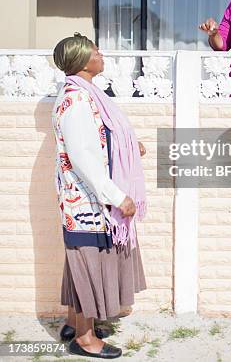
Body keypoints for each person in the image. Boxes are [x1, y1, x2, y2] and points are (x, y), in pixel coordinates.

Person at [52, 33, 147, 359]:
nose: (100, 53)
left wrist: (129, 147)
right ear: (81, 61)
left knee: (81, 262)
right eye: (95, 50)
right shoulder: (77, 101)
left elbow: (99, 140)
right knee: (88, 265)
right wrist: (118, 196)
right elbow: (83, 158)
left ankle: (73, 322)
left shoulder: (85, 95)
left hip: (86, 200)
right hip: (87, 200)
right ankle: (84, 338)